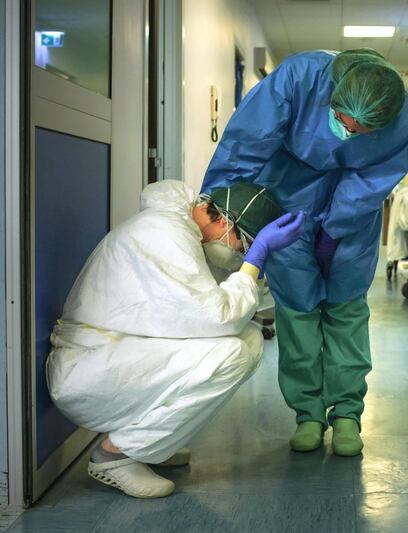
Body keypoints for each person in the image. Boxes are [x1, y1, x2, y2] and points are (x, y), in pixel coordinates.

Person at [203, 49, 408, 457]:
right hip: (286, 191)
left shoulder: (402, 118)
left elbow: (373, 180)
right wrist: (220, 204)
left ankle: (348, 413)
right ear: (332, 98)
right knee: (297, 307)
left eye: (361, 132)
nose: (348, 133)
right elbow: (247, 140)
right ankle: (308, 413)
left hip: (354, 208)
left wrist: (335, 230)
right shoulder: (302, 77)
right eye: (341, 122)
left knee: (346, 304)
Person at [46, 180, 305, 498]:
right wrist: (254, 264)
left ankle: (149, 441)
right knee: (232, 353)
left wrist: (253, 265)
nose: (241, 254)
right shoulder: (165, 235)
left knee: (248, 338)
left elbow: (211, 307)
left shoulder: (182, 231)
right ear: (224, 221)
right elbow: (217, 317)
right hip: (85, 371)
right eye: (244, 245)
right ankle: (114, 455)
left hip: (113, 354)